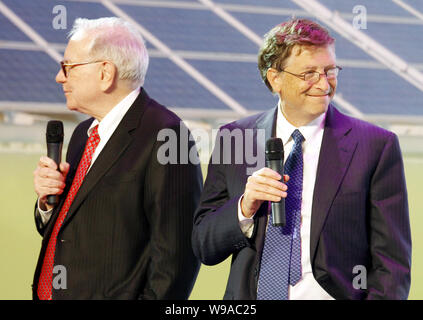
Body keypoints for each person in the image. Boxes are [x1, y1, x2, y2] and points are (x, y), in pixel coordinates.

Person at [192, 18, 411, 300]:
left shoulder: (375, 146)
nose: (323, 83)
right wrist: (244, 208)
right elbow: (203, 245)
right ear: (275, 79)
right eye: (309, 73)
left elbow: (392, 265)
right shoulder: (234, 139)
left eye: (330, 71)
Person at [32, 17, 202, 300]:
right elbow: (70, 233)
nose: (60, 77)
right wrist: (47, 202)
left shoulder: (168, 136)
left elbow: (175, 261)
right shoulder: (83, 133)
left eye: (68, 67)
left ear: (105, 73)